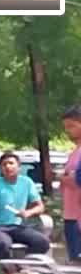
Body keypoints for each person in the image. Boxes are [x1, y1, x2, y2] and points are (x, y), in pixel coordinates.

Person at [0, 152, 50, 265]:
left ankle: (25, 268)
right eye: (4, 164)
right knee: (2, 244)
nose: (8, 167)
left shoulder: (26, 182)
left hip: (18, 227)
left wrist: (28, 213)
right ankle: (8, 271)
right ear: (0, 168)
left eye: (11, 163)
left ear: (19, 166)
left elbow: (40, 207)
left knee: (42, 242)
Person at [60, 106, 81, 264]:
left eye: (72, 126)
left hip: (78, 216)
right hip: (70, 214)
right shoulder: (75, 152)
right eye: (66, 127)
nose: (68, 131)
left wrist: (64, 178)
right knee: (74, 260)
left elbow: (76, 180)